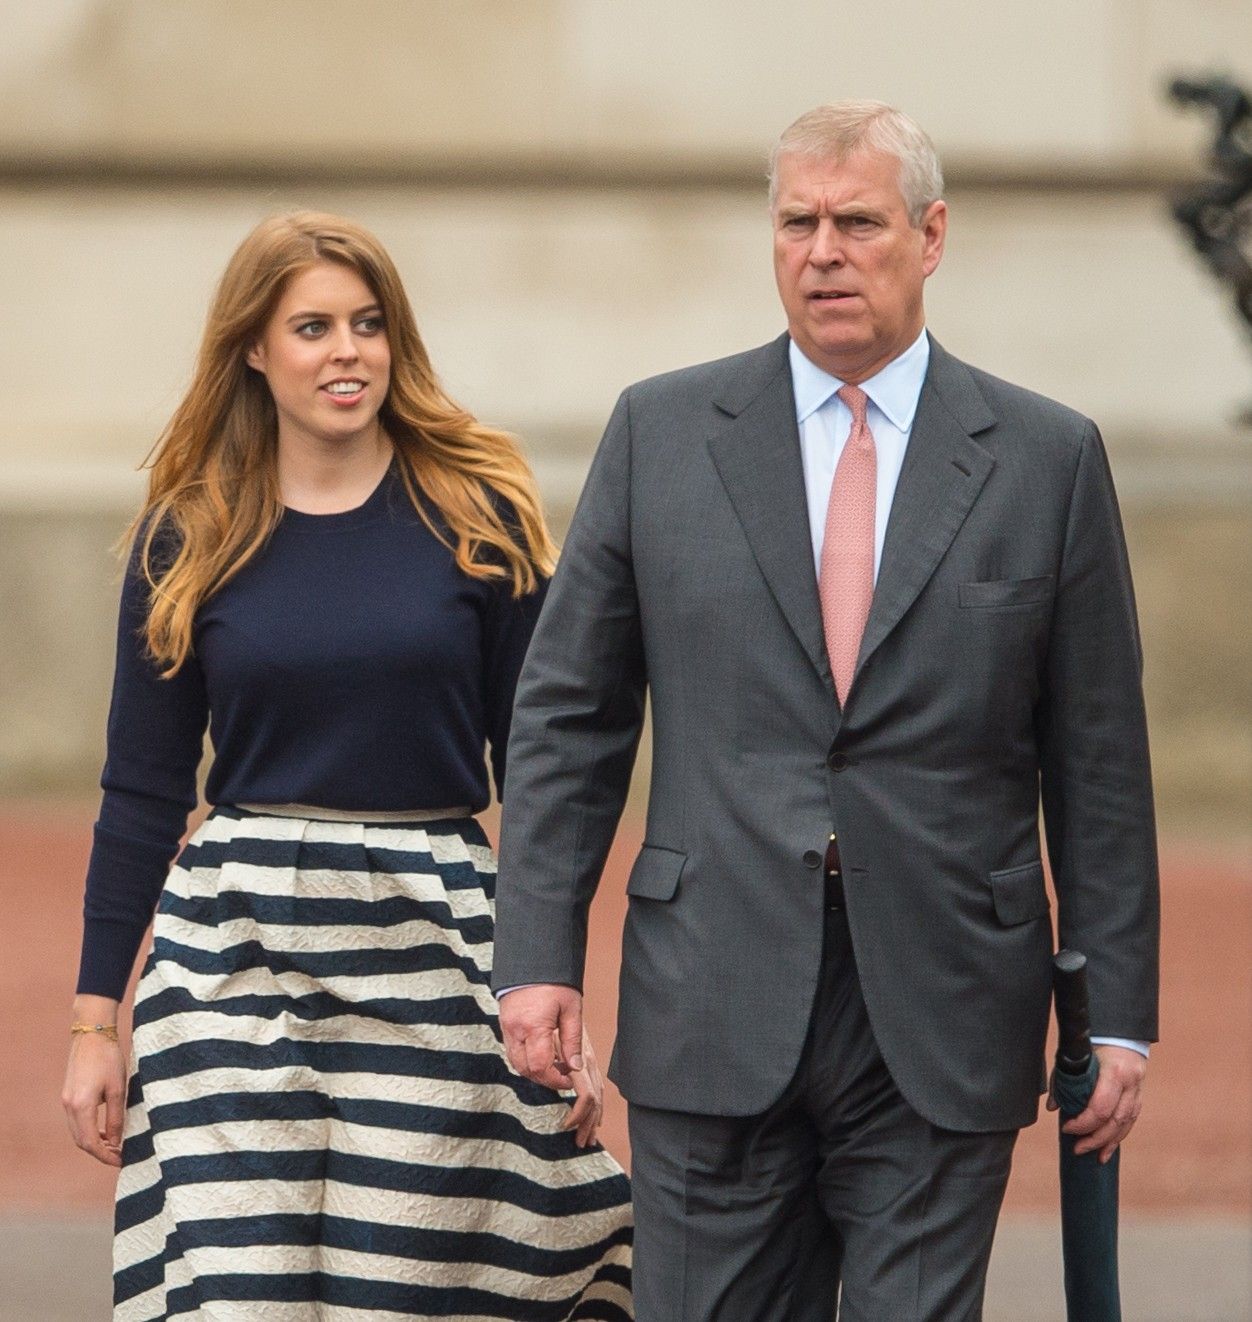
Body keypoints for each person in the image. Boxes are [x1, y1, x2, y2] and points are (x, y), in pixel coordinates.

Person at [493, 102, 1159, 1320]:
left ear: (931, 234)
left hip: (946, 1001)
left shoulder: (1047, 457)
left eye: (856, 221)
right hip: (711, 991)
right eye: (797, 222)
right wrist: (536, 954)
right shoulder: (661, 432)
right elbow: (568, 714)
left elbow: (1098, 758)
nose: (822, 251)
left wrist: (1114, 1010)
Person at [61, 212, 632, 1320]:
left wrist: (555, 987)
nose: (346, 350)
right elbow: (139, 794)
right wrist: (96, 1022)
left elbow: (543, 773)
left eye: (368, 324)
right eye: (312, 326)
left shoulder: (483, 518)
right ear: (254, 351)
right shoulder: (186, 537)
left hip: (431, 935)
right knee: (239, 1295)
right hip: (230, 952)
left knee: (409, 1286)